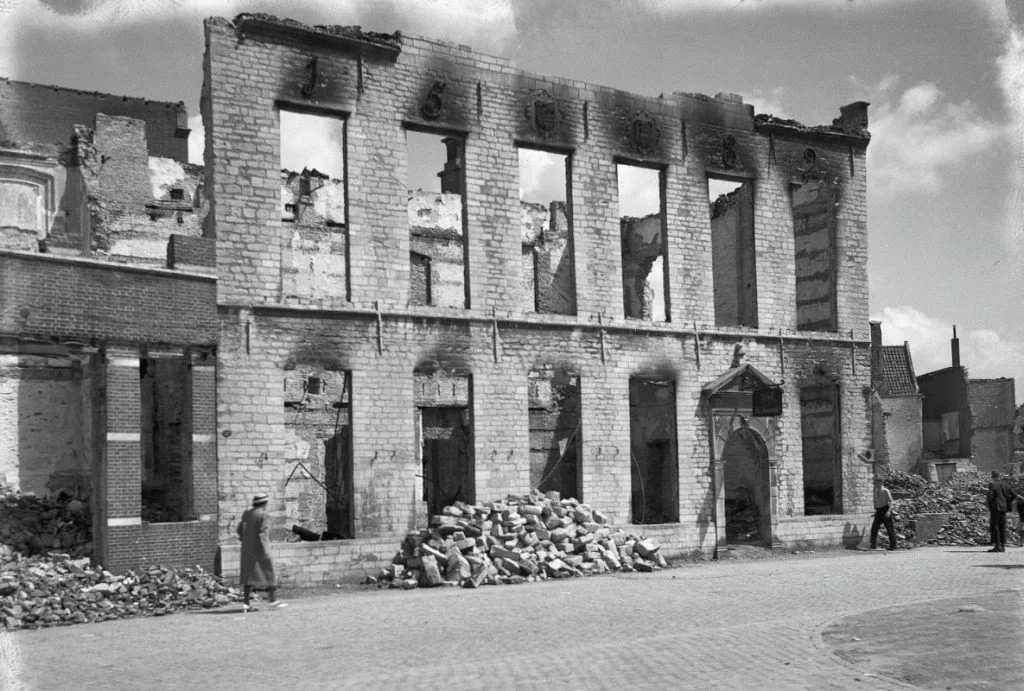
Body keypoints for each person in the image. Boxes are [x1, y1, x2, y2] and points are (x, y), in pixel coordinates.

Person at [237, 493, 286, 610]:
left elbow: (239, 529)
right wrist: (266, 551)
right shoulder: (263, 515)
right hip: (259, 550)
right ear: (264, 503)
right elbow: (263, 534)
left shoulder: (246, 514)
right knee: (270, 573)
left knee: (248, 577)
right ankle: (273, 600)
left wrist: (245, 540)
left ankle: (246, 603)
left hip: (247, 550)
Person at [985, 470, 1016, 552]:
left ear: (992, 476)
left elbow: (990, 496)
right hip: (1004, 508)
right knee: (1002, 526)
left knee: (995, 525)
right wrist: (1007, 501)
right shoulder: (1005, 484)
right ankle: (1002, 546)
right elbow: (1014, 495)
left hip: (995, 508)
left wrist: (988, 504)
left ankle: (997, 545)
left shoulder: (992, 484)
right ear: (999, 476)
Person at [870, 476, 897, 551]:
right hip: (878, 511)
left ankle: (893, 546)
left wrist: (888, 511)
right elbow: (875, 501)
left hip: (885, 510)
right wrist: (875, 509)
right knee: (874, 528)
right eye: (874, 482)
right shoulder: (875, 491)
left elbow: (891, 501)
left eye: (876, 482)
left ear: (880, 482)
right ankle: (873, 545)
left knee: (889, 529)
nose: (874, 484)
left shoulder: (885, 491)